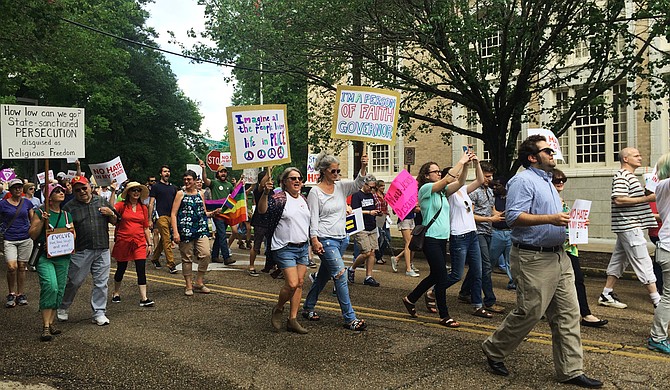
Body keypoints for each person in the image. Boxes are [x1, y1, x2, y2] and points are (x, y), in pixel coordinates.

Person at [481, 135, 602, 388]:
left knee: (568, 314)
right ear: (532, 157)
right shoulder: (523, 180)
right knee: (531, 312)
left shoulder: (548, 181)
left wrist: (572, 225)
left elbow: (553, 218)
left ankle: (571, 370)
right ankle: (494, 348)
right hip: (532, 258)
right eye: (547, 151)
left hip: (560, 256)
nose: (553, 153)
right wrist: (551, 219)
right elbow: (513, 217)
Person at [401, 151, 472, 327]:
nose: (439, 173)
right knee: (441, 277)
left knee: (435, 275)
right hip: (430, 239)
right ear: (426, 175)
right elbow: (448, 179)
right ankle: (444, 315)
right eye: (435, 171)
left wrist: (466, 166)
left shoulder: (442, 193)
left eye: (440, 171)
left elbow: (460, 182)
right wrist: (461, 161)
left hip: (442, 239)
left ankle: (411, 299)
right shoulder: (425, 189)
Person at [302, 153, 368, 331]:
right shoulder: (315, 192)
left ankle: (308, 307)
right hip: (325, 239)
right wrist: (314, 240)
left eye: (338, 170)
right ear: (323, 171)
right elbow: (313, 218)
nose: (337, 173)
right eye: (333, 170)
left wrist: (362, 167)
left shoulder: (341, 186)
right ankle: (350, 318)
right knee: (340, 274)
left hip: (342, 238)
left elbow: (358, 184)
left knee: (323, 276)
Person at [598, 147, 660, 309]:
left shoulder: (629, 176)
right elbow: (618, 199)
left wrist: (645, 195)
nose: (640, 158)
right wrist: (647, 198)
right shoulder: (622, 175)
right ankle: (657, 301)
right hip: (629, 226)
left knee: (619, 259)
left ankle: (606, 293)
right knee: (643, 260)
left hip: (629, 225)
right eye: (636, 155)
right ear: (625, 159)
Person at [58, 175, 118, 326]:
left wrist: (111, 213)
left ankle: (99, 312)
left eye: (84, 188)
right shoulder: (69, 207)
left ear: (90, 187)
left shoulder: (101, 201)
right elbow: (61, 231)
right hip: (80, 250)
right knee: (74, 281)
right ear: (74, 191)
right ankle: (63, 306)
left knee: (101, 283)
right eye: (78, 190)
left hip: (102, 248)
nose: (82, 191)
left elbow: (116, 220)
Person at [552, 169, 607, 328]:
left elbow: (568, 222)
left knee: (578, 280)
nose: (561, 182)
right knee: (550, 282)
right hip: (555, 247)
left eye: (563, 180)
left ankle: (586, 314)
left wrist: (581, 223)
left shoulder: (563, 202)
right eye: (557, 180)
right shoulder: (549, 202)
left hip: (570, 248)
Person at [259, 168, 310, 334]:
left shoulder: (304, 199)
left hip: (302, 247)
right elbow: (262, 210)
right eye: (293, 178)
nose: (297, 181)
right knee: (292, 283)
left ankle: (292, 319)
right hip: (284, 247)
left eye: (299, 178)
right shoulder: (279, 198)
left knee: (300, 283)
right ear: (285, 182)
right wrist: (265, 193)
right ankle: (279, 308)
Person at [454, 160, 506, 317]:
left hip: (488, 231)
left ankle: (464, 292)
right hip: (477, 232)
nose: (490, 179)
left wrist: (500, 214)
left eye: (491, 176)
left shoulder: (489, 191)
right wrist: (491, 219)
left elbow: (491, 210)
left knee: (479, 266)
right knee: (486, 266)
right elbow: (471, 215)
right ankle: (489, 301)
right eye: (487, 176)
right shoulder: (473, 192)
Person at [29, 183, 73, 341]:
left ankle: (52, 322)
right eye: (56, 191)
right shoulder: (40, 213)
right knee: (50, 286)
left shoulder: (67, 215)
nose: (61, 193)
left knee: (59, 289)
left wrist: (65, 236)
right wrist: (42, 222)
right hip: (45, 257)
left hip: (63, 257)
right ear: (49, 196)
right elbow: (33, 234)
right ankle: (45, 326)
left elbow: (73, 235)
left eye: (62, 190)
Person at [171, 170, 219, 296]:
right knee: (187, 258)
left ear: (194, 180)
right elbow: (173, 214)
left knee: (206, 254)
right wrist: (175, 232)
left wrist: (212, 213)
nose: (186, 182)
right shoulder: (180, 194)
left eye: (189, 179)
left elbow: (203, 212)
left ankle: (199, 281)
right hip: (185, 230)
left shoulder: (200, 194)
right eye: (185, 179)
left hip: (201, 229)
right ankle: (188, 285)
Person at [110, 182, 155, 307]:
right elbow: (111, 209)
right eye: (133, 190)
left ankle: (144, 298)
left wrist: (149, 244)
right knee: (121, 268)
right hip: (124, 241)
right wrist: (113, 191)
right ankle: (116, 292)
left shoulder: (143, 208)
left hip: (139, 242)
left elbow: (146, 227)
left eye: (138, 190)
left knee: (141, 269)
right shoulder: (121, 206)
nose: (136, 192)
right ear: (128, 192)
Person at [647, 152, 670, 354]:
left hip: (666, 246)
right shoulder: (666, 185)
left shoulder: (662, 187)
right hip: (669, 248)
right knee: (668, 297)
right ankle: (657, 337)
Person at [1, 178, 35, 308]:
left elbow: (32, 219)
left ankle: (20, 293)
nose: (18, 189)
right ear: (10, 189)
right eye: (15, 187)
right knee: (11, 267)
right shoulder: (3, 204)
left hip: (25, 238)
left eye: (20, 187)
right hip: (9, 238)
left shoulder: (27, 203)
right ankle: (11, 293)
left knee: (22, 267)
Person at [347, 174, 382, 287]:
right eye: (370, 187)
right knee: (366, 252)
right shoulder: (357, 194)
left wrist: (376, 212)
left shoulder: (371, 195)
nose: (371, 190)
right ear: (364, 184)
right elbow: (355, 211)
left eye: (373, 188)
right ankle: (351, 269)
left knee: (372, 252)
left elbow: (372, 207)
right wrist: (368, 212)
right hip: (361, 226)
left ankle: (368, 276)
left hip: (372, 225)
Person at [200, 163, 235, 265]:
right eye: (221, 172)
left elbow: (234, 196)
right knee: (223, 234)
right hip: (217, 214)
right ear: (217, 174)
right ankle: (226, 257)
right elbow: (205, 179)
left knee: (220, 236)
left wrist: (240, 184)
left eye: (224, 172)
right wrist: (204, 169)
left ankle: (215, 256)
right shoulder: (214, 183)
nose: (223, 173)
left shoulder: (229, 185)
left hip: (227, 214)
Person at [149, 165, 178, 273]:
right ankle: (171, 264)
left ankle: (155, 258)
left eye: (168, 171)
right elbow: (151, 203)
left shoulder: (173, 188)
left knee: (164, 240)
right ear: (161, 173)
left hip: (172, 216)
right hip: (161, 217)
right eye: (165, 171)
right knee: (167, 239)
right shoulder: (156, 186)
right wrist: (149, 219)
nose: (167, 173)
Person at [489, 178, 514, 289]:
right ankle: (484, 281)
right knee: (490, 259)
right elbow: (493, 212)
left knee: (511, 262)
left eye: (498, 186)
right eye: (494, 186)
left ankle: (513, 283)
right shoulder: (493, 198)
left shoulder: (511, 198)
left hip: (509, 232)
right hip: (496, 232)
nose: (495, 188)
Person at [249, 169, 272, 277]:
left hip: (270, 221)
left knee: (272, 245)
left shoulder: (272, 191)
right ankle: (251, 266)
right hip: (260, 221)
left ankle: (270, 265)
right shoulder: (258, 191)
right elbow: (263, 184)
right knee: (257, 245)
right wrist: (268, 169)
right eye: (267, 179)